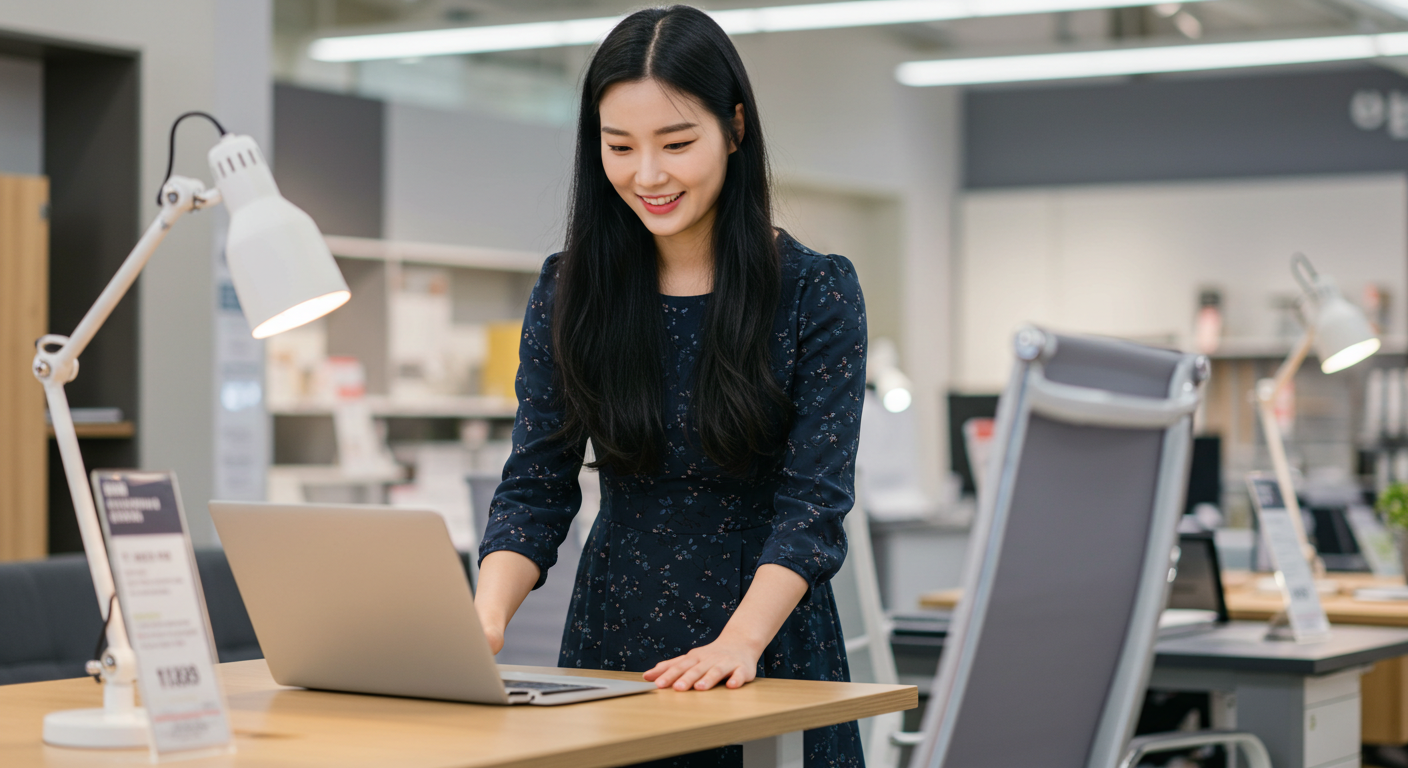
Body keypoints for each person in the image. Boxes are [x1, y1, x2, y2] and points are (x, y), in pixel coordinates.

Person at [475, 6, 867, 766]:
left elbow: (814, 508)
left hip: (764, 650)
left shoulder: (815, 291)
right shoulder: (568, 290)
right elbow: (534, 487)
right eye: (619, 146)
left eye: (677, 143)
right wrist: (482, 618)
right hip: (611, 649)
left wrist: (738, 641)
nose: (646, 175)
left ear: (736, 127)